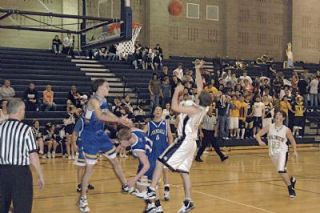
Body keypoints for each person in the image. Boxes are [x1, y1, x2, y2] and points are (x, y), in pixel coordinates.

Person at [144, 61, 212, 213]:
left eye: (198, 94)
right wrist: (196, 69)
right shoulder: (203, 106)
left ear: (199, 99)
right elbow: (200, 86)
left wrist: (176, 91)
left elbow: (174, 107)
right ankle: (188, 200)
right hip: (192, 142)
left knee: (160, 160)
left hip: (184, 140)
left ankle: (151, 190)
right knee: (184, 171)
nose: (197, 91)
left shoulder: (194, 109)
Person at [78, 79, 132, 213]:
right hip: (89, 136)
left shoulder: (104, 100)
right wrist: (119, 120)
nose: (109, 87)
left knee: (115, 160)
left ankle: (125, 185)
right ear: (99, 88)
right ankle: (83, 199)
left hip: (100, 134)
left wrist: (121, 120)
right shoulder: (93, 101)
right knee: (89, 169)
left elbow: (107, 113)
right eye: (106, 86)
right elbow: (100, 116)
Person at [0, 98, 44, 213]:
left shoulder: (0, 128)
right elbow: (33, 155)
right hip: (20, 174)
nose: (24, 112)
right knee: (22, 207)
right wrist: (40, 175)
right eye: (24, 109)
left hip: (2, 173)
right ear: (19, 111)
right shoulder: (26, 129)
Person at [255, 111, 298, 198]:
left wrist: (295, 151)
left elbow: (292, 141)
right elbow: (258, 135)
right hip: (272, 153)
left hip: (283, 151)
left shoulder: (286, 130)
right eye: (277, 115)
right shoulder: (269, 127)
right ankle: (291, 180)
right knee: (282, 172)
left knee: (281, 170)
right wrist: (259, 141)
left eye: (280, 115)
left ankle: (291, 189)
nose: (278, 116)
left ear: (283, 118)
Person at [144, 106, 173, 201]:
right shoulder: (149, 124)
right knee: (153, 174)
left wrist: (170, 149)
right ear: (153, 113)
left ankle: (166, 191)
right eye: (156, 110)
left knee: (165, 171)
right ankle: (154, 193)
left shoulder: (165, 124)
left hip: (163, 150)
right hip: (152, 152)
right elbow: (142, 135)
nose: (158, 111)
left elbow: (170, 136)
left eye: (160, 110)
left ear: (162, 113)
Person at [72, 116, 95, 193]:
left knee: (89, 166)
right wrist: (74, 144)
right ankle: (79, 185)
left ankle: (86, 182)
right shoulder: (81, 120)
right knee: (81, 166)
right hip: (82, 144)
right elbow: (75, 133)